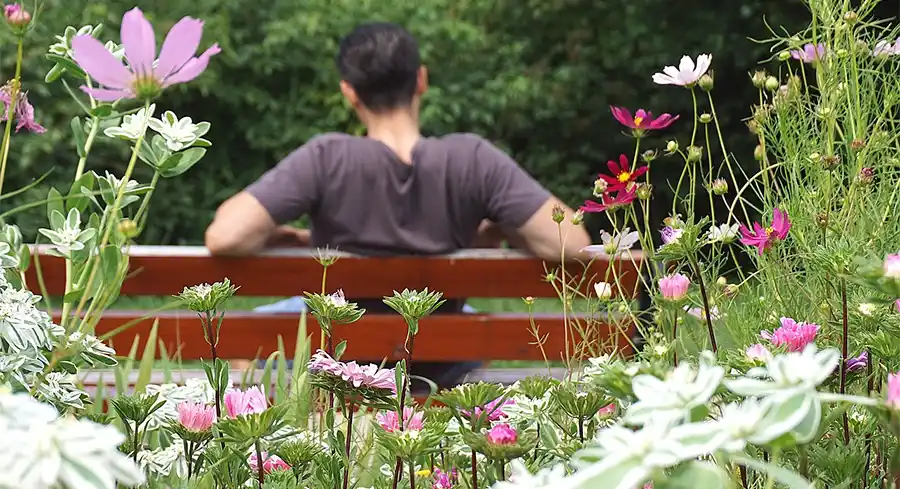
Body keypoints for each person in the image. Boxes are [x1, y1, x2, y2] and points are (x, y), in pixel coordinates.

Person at [204, 22, 591, 390]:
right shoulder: (473, 158)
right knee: (473, 329)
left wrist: (282, 236)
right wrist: (503, 230)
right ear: (421, 80)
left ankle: (319, 419)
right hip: (433, 360)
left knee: (244, 335)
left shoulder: (325, 158)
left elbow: (224, 236)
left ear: (349, 92)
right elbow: (572, 242)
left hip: (339, 358)